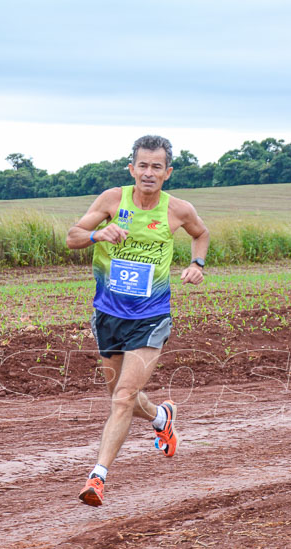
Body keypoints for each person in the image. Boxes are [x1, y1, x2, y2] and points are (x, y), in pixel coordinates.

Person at [66, 135, 210, 507]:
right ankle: (162, 417)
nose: (148, 172)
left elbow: (201, 234)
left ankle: (97, 478)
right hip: (109, 315)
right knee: (119, 396)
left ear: (167, 173)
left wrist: (197, 264)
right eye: (142, 165)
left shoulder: (177, 210)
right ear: (132, 168)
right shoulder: (113, 200)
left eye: (156, 166)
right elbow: (73, 236)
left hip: (151, 318)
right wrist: (99, 233)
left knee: (124, 397)